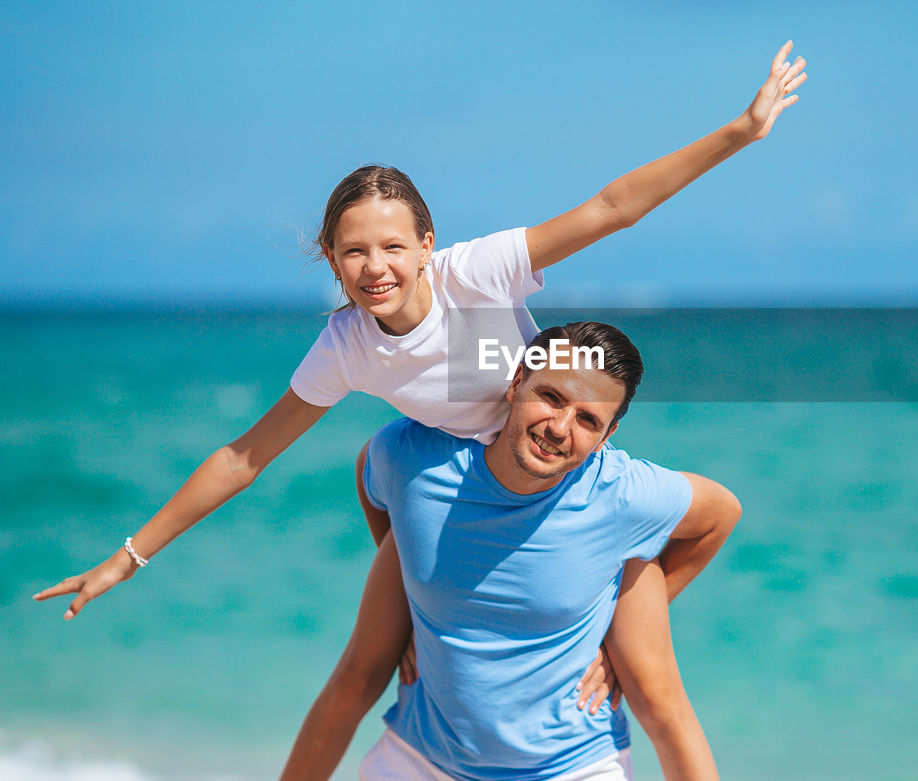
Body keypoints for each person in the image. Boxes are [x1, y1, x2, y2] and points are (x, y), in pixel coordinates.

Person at [35, 42, 806, 772]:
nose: (376, 267)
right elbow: (247, 456)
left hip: (555, 469)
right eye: (355, 251)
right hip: (446, 483)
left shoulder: (476, 274)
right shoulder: (348, 346)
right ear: (332, 259)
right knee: (357, 676)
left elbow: (611, 208)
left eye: (393, 246)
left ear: (427, 243)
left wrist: (741, 131)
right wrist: (130, 557)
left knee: (652, 688)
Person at [284, 322, 739, 781]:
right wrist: (414, 589)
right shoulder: (416, 458)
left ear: (606, 435)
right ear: (516, 381)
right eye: (553, 397)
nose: (560, 428)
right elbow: (371, 471)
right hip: (420, 760)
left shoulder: (619, 494)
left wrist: (621, 626)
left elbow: (720, 514)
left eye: (588, 420)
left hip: (572, 766)